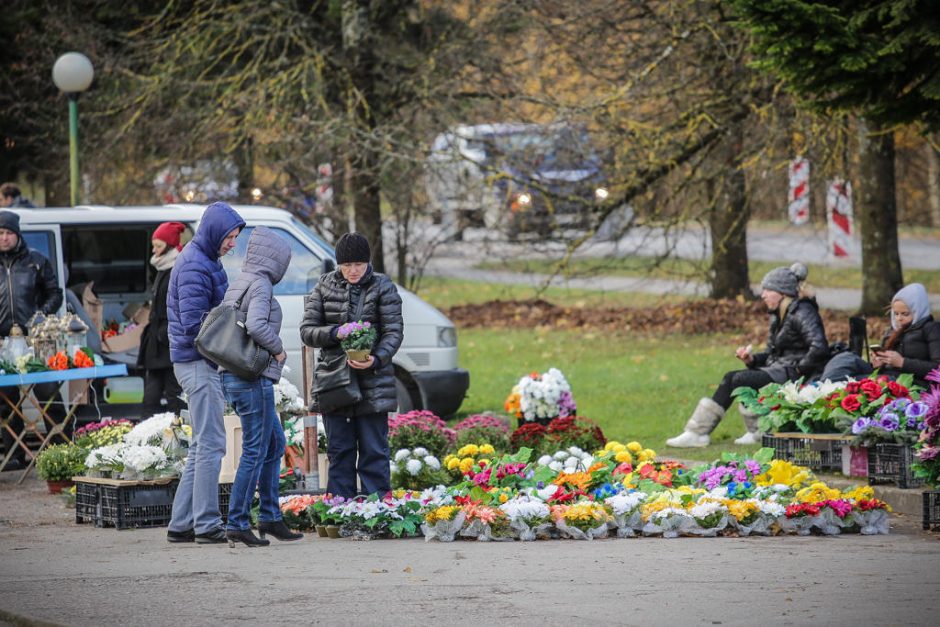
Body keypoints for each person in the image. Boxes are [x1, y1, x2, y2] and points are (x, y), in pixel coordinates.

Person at [666, 263, 829, 448]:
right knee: (741, 379)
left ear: (782, 293)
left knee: (735, 379)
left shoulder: (803, 312)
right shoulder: (778, 315)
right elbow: (771, 354)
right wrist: (751, 359)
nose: (763, 295)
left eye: (768, 290)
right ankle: (756, 432)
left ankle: (697, 433)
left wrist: (799, 368)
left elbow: (819, 347)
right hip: (781, 370)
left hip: (796, 374)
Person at [300, 232, 403, 498]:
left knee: (374, 451)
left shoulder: (383, 286)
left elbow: (394, 332)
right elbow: (307, 331)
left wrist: (376, 359)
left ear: (368, 262)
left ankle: (377, 510)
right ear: (338, 264)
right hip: (335, 382)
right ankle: (341, 510)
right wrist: (336, 333)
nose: (353, 270)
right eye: (346, 265)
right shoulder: (324, 286)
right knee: (340, 451)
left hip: (374, 382)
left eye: (358, 264)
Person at [165, 202, 245, 544]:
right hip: (199, 363)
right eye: (229, 236)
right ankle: (207, 524)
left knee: (202, 444)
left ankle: (181, 523)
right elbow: (194, 325)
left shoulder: (204, 259)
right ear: (214, 231)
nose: (232, 243)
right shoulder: (196, 266)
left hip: (198, 362)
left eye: (236, 237)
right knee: (212, 443)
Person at [219, 226, 302, 547]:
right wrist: (278, 349)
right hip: (251, 377)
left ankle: (270, 517)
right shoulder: (261, 284)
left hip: (232, 374)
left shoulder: (241, 280)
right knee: (256, 450)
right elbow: (255, 325)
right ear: (275, 261)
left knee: (274, 445)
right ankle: (238, 522)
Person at [0, 211, 64, 470]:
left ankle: (59, 449)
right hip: (3, 341)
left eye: (8, 233)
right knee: (6, 398)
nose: (3, 238)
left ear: (17, 234)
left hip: (36, 340)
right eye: (0, 233)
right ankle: (15, 455)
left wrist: (41, 317)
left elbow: (55, 293)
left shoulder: (36, 261)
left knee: (48, 393)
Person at [821, 283, 940, 389]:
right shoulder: (893, 330)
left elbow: (937, 369)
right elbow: (883, 364)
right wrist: (878, 363)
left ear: (918, 310)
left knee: (852, 383)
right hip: (885, 376)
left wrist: (902, 362)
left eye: (905, 314)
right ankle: (821, 388)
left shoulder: (931, 329)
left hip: (910, 383)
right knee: (845, 358)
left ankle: (831, 389)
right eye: (896, 313)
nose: (899, 318)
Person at [137, 222, 186, 416]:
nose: (154, 250)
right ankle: (149, 438)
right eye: (154, 245)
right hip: (158, 345)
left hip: (168, 344)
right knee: (151, 397)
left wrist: (164, 334)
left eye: (158, 246)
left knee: (174, 395)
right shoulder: (162, 268)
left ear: (169, 245)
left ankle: (181, 437)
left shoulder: (176, 270)